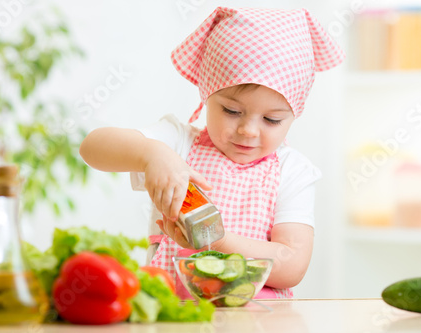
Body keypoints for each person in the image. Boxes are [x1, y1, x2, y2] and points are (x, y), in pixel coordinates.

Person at [79, 6, 344, 299]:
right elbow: (92, 147)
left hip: (260, 321)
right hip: (173, 317)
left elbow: (292, 265)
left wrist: (215, 239)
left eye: (272, 120)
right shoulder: (177, 144)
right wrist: (151, 154)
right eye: (231, 111)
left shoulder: (292, 171)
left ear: (294, 115)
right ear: (207, 94)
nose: (248, 130)